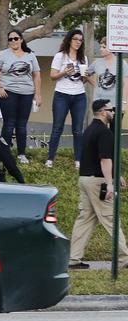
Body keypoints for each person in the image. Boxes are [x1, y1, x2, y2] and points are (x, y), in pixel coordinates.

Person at [68, 99, 128, 270]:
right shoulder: (104, 132)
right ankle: (124, 258)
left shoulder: (89, 130)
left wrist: (117, 174)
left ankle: (74, 259)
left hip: (85, 179)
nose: (114, 113)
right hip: (98, 182)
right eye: (112, 110)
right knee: (111, 218)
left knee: (85, 219)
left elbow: (97, 157)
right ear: (103, 112)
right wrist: (110, 183)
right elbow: (104, 159)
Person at [0, 28, 41, 165]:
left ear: (21, 40)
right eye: (10, 39)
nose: (13, 41)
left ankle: (21, 154)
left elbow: (36, 75)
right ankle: (4, 154)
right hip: (8, 92)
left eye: (16, 38)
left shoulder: (30, 55)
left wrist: (38, 94)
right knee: (9, 123)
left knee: (22, 124)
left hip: (27, 93)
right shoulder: (3, 54)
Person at [47, 28, 94, 169]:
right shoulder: (60, 56)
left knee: (78, 129)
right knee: (57, 128)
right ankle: (50, 159)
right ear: (69, 40)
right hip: (61, 95)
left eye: (80, 40)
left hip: (79, 96)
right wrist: (64, 72)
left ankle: (78, 160)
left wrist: (84, 76)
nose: (78, 42)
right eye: (75, 39)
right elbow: (52, 76)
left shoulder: (83, 58)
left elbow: (84, 80)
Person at [93, 38, 126, 107]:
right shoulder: (96, 63)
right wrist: (96, 85)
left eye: (104, 47)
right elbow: (85, 74)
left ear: (111, 48)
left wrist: (124, 103)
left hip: (115, 103)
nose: (101, 49)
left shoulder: (122, 63)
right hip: (99, 103)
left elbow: (126, 84)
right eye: (100, 47)